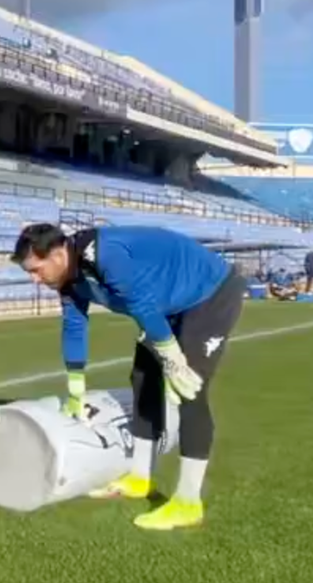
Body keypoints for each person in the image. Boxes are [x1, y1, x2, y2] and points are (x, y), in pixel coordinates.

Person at [14, 222, 246, 531]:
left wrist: (172, 356)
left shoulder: (104, 254)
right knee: (143, 379)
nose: (34, 279)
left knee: (188, 389)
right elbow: (74, 326)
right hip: (166, 304)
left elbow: (140, 302)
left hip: (209, 293)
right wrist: (75, 389)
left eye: (35, 269)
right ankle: (140, 477)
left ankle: (188, 502)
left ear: (57, 255)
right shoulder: (68, 282)